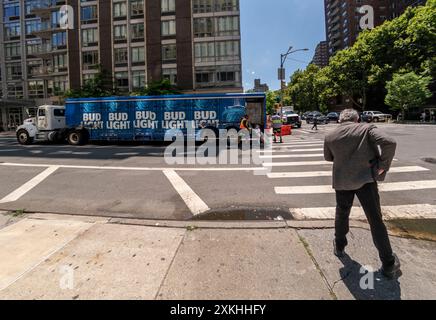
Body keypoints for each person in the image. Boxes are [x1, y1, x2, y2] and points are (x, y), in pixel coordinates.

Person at [324, 109, 401, 279]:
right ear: (357, 119)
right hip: (366, 180)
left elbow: (328, 158)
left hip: (342, 180)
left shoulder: (330, 136)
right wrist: (383, 165)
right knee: (375, 219)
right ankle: (388, 263)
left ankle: (339, 245)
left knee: (342, 213)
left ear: (339, 120)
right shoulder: (366, 129)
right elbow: (390, 142)